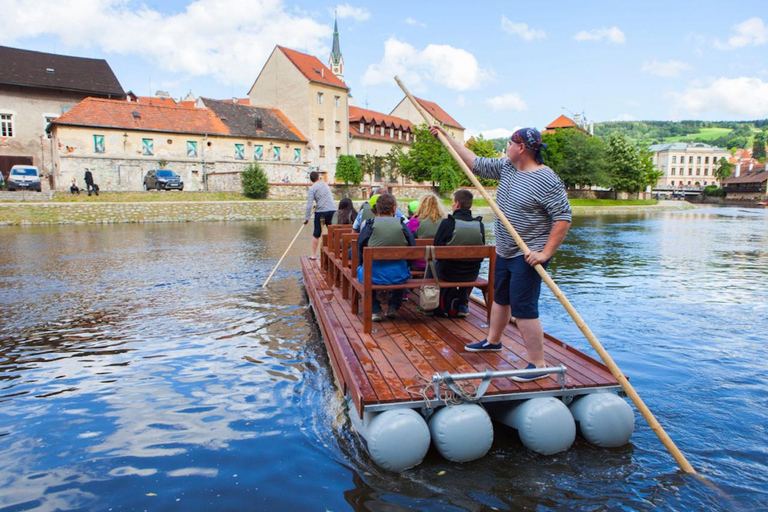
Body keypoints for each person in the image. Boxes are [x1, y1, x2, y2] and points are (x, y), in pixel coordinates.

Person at [430, 125, 571, 382]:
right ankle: (493, 341)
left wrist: (545, 253)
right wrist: (446, 137)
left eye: (509, 143)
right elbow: (474, 162)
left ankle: (538, 364)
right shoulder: (507, 167)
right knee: (501, 298)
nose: (506, 147)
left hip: (528, 254)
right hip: (505, 250)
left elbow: (563, 218)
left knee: (523, 307)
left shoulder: (546, 179)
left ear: (521, 148)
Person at [357, 193, 415, 321]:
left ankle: (375, 310)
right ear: (394, 208)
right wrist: (407, 265)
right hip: (398, 274)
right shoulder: (402, 225)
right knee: (404, 272)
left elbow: (360, 248)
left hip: (372, 274)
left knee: (362, 271)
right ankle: (393, 306)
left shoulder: (370, 225)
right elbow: (412, 249)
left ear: (377, 209)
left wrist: (362, 263)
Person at [430, 189, 485, 317]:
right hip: (471, 274)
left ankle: (430, 302)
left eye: (452, 202)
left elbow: (436, 250)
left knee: (432, 262)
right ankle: (463, 304)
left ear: (457, 204)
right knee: (465, 264)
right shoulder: (479, 225)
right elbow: (481, 255)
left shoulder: (448, 223)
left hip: (448, 273)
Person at [303, 171, 336, 260]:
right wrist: (318, 204)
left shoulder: (312, 189)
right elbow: (327, 198)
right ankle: (333, 252)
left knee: (316, 234)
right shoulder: (325, 185)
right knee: (333, 232)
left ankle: (313, 255)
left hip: (321, 213)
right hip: (332, 211)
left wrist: (306, 218)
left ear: (311, 180)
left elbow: (309, 205)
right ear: (318, 177)